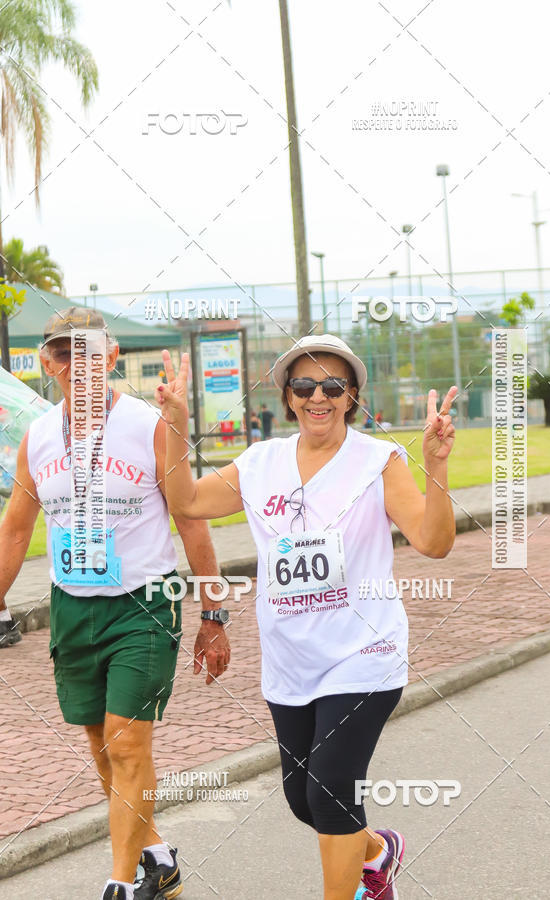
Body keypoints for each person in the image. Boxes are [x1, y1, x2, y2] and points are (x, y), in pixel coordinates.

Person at [156, 334, 457, 900]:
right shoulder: (260, 462)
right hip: (291, 660)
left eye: (333, 386)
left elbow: (434, 542)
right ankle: (378, 852)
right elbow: (187, 502)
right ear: (288, 396)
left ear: (351, 397)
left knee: (328, 790)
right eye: (304, 385)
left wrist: (436, 466)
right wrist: (175, 422)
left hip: (364, 654)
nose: (318, 396)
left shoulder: (378, 461)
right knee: (305, 801)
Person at [0, 307, 229, 900]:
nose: (78, 364)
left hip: (145, 605)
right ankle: (158, 857)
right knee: (103, 745)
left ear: (112, 357)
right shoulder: (38, 438)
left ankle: (121, 885)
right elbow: (14, 532)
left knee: (129, 744)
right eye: (64, 353)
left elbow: (193, 521)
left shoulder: (151, 427)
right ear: (48, 363)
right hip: (72, 605)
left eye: (91, 352)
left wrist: (214, 614)